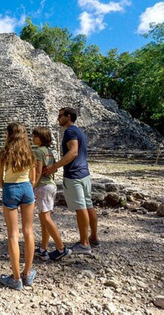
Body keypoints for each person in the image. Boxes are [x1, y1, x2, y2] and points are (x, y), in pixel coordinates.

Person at [44, 107, 99, 254]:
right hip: (84, 174)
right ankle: (93, 237)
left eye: (60, 115)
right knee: (88, 205)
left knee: (81, 208)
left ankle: (84, 244)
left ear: (68, 116)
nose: (58, 119)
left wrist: (55, 166)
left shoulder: (70, 131)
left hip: (74, 175)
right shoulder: (79, 131)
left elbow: (73, 152)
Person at [0, 122, 36, 291]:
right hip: (27, 188)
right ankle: (27, 273)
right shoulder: (29, 152)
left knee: (13, 234)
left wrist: (8, 186)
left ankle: (16, 278)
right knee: (29, 231)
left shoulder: (4, 153)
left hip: (10, 188)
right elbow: (33, 179)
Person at [32, 127, 72, 260]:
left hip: (42, 186)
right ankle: (43, 249)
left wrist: (31, 186)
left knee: (46, 218)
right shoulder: (49, 152)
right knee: (44, 219)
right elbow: (53, 169)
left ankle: (61, 248)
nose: (33, 138)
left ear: (41, 138)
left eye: (35, 136)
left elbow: (37, 172)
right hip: (50, 185)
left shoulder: (38, 152)